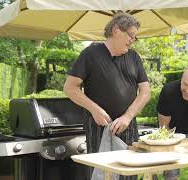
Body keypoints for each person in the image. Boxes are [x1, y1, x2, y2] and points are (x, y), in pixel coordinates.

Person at [63, 12, 150, 180]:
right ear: (116, 30)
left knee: (130, 174)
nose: (133, 40)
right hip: (99, 126)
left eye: (135, 37)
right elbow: (70, 88)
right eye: (131, 35)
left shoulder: (134, 57)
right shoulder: (90, 54)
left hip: (128, 125)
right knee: (102, 174)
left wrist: (128, 116)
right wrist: (94, 109)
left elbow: (145, 91)